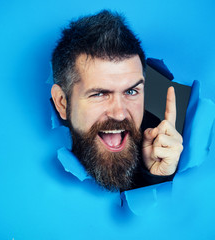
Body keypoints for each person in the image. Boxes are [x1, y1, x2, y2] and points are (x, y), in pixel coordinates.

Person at [51, 10, 183, 192]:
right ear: (62, 102)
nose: (119, 113)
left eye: (131, 91)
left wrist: (156, 177)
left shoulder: (157, 139)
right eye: (99, 94)